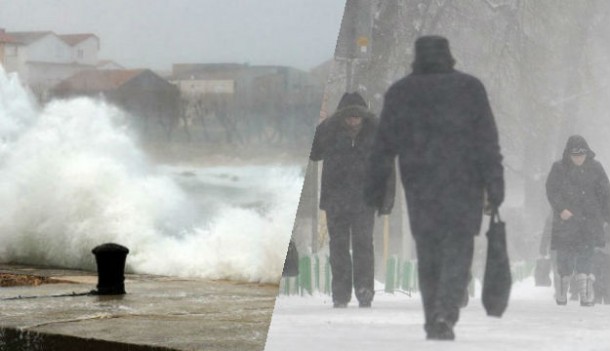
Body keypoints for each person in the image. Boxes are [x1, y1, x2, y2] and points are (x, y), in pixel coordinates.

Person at [365, 35, 504, 340]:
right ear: (448, 56)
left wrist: (375, 187)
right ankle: (445, 313)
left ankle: (434, 317)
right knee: (458, 250)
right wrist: (494, 186)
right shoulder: (470, 89)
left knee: (428, 255)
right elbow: (487, 142)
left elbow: (383, 147)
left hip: (420, 187)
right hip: (464, 185)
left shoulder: (400, 93)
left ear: (416, 58)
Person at [310, 92, 394, 308]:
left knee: (363, 245)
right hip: (335, 200)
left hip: (365, 201)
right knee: (338, 247)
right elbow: (313, 153)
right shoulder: (330, 131)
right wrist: (323, 124)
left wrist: (386, 200)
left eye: (358, 116)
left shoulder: (377, 133)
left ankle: (364, 291)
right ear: (342, 117)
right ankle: (340, 294)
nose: (353, 120)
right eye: (349, 116)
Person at [545, 135, 610, 306]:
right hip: (566, 219)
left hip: (590, 220)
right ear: (568, 154)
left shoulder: (596, 168)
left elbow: (605, 194)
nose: (578, 159)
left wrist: (607, 217)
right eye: (575, 156)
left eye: (581, 155)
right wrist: (561, 209)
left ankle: (586, 293)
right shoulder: (559, 168)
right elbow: (552, 190)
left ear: (587, 153)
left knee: (586, 255)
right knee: (564, 256)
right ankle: (562, 288)